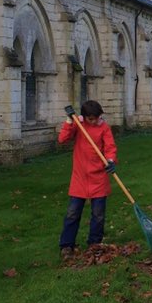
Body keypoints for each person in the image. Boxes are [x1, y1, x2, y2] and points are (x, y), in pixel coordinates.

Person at [58, 100, 118, 260]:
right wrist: (69, 120)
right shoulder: (78, 125)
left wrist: (110, 160)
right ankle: (66, 245)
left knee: (98, 215)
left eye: (96, 118)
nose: (94, 121)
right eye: (91, 119)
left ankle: (94, 244)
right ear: (84, 117)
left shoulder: (104, 127)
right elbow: (62, 139)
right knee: (72, 213)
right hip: (80, 177)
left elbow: (110, 147)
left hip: (99, 178)